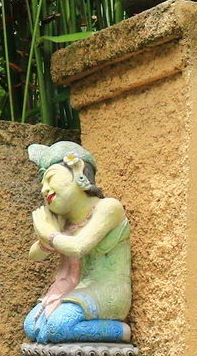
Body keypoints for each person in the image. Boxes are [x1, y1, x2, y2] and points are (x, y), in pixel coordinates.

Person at [24, 141, 132, 344]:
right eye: (42, 184)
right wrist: (45, 238)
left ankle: (119, 331)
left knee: (57, 329)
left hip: (106, 290)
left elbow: (78, 248)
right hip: (74, 290)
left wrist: (50, 235)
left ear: (77, 170)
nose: (44, 190)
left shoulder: (108, 208)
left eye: (50, 178)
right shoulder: (64, 221)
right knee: (32, 327)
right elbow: (34, 255)